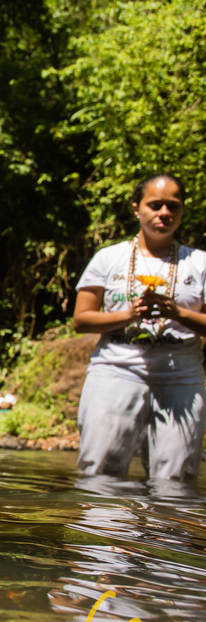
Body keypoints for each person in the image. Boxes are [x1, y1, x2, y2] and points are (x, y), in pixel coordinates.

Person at [71, 174, 206, 480]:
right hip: (116, 370)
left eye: (173, 206)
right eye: (155, 205)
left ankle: (167, 528)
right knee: (101, 472)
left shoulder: (199, 263)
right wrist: (129, 315)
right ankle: (103, 528)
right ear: (137, 208)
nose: (164, 213)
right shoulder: (109, 258)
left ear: (183, 211)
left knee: (177, 478)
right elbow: (81, 319)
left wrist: (178, 313)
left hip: (180, 376)